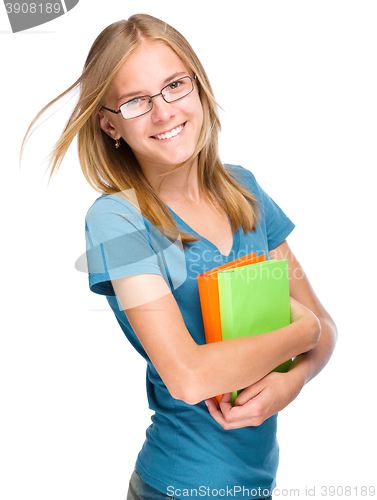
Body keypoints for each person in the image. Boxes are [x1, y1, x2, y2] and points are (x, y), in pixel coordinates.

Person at [22, 13, 337, 500]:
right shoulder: (117, 221)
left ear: (198, 86)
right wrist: (303, 332)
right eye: (135, 101)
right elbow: (188, 377)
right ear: (110, 125)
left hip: (258, 486)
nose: (164, 112)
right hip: (176, 488)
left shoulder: (245, 191)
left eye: (174, 85)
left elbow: (328, 327)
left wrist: (293, 381)